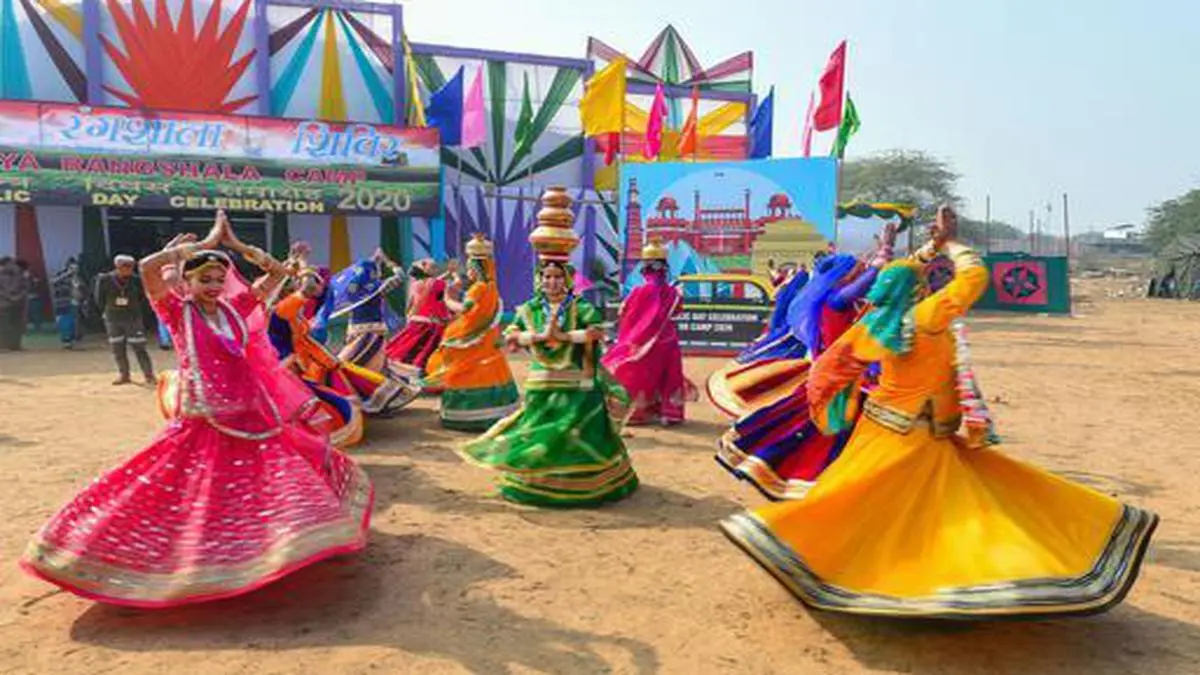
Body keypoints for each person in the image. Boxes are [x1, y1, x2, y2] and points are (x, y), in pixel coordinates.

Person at [720, 206, 1157, 619]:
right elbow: (974, 276)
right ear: (919, 290)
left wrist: (837, 411)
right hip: (922, 436)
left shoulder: (874, 320)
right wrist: (952, 244)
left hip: (880, 430)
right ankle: (935, 577)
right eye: (924, 282)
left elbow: (825, 374)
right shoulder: (927, 315)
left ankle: (819, 553)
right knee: (940, 506)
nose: (927, 285)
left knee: (858, 501)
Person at [22, 212, 373, 608]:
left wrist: (238, 247)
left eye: (218, 280)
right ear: (186, 282)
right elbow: (147, 269)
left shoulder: (233, 310)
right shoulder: (176, 312)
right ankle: (139, 556)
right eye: (204, 279)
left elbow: (275, 277)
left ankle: (268, 554)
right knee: (184, 489)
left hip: (250, 415)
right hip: (202, 419)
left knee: (265, 483)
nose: (212, 286)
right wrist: (205, 242)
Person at [460, 195, 637, 507]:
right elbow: (511, 336)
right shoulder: (529, 309)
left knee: (575, 434)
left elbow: (597, 332)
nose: (552, 281)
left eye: (557, 277)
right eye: (547, 277)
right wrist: (537, 335)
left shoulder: (580, 306)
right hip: (543, 381)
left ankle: (588, 486)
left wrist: (565, 335)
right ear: (540, 279)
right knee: (538, 432)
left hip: (579, 382)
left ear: (566, 279)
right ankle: (533, 484)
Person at [716, 230, 896, 499]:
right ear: (841, 277)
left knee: (812, 428)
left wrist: (882, 256)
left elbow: (870, 286)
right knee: (818, 431)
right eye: (855, 271)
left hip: (844, 376)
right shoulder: (835, 301)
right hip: (837, 380)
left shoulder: (846, 301)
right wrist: (882, 257)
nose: (860, 274)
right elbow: (865, 283)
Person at [423, 234, 520, 431]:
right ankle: (497, 411)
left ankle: (466, 415)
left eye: (470, 267)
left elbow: (466, 309)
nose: (468, 271)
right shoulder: (492, 287)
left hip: (471, 337)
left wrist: (448, 298)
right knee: (486, 367)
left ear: (477, 269)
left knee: (460, 366)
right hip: (486, 338)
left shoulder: (478, 288)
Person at [269, 262, 365, 448]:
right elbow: (305, 291)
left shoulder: (295, 315)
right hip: (283, 371)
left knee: (335, 403)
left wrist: (328, 360)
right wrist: (305, 275)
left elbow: (306, 343)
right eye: (292, 287)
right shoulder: (280, 312)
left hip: (297, 367)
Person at [601, 238, 697, 426]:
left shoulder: (638, 291)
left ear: (645, 270)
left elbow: (624, 314)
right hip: (667, 341)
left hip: (642, 342)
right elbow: (677, 311)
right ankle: (669, 414)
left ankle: (638, 413)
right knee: (668, 376)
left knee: (639, 374)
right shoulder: (673, 292)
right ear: (663, 269)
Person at [325, 252, 420, 415]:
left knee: (356, 366)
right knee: (371, 369)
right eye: (375, 272)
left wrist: (373, 261)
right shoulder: (377, 288)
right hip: (372, 334)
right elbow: (400, 276)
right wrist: (388, 262)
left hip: (355, 333)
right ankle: (375, 402)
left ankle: (371, 400)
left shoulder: (352, 290)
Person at [385, 258, 456, 380]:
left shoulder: (415, 284)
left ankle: (404, 375)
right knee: (428, 354)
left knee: (407, 350)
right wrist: (454, 275)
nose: (436, 268)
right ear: (424, 269)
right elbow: (447, 287)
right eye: (432, 267)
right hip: (432, 325)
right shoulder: (439, 284)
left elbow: (410, 305)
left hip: (416, 323)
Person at [95, 254, 155, 385]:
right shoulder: (104, 280)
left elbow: (143, 298)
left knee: (139, 348)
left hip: (133, 318)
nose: (128, 269)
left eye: (131, 266)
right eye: (125, 266)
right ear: (117, 266)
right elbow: (99, 299)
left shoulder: (136, 280)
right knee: (117, 348)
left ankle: (149, 376)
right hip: (113, 319)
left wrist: (138, 313)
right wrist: (105, 312)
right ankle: (124, 375)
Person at [51, 258, 87, 349]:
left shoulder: (79, 278)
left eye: (76, 267)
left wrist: (84, 300)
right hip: (64, 303)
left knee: (75, 323)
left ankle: (74, 341)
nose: (75, 269)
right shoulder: (61, 276)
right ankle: (66, 341)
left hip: (76, 303)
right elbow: (54, 282)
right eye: (72, 267)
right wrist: (68, 274)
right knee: (65, 323)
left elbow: (84, 290)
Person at [0, 257, 30, 351]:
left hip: (4, 303)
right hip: (15, 303)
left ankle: (7, 346)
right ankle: (13, 345)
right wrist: (17, 297)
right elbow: (25, 288)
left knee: (6, 325)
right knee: (14, 325)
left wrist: (10, 297)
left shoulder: (20, 275)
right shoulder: (21, 275)